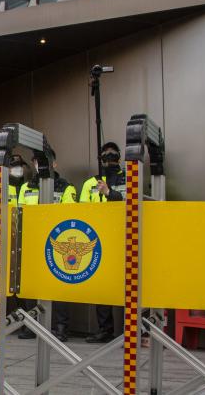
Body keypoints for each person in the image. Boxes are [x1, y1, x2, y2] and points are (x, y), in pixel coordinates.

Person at [17, 153, 77, 341]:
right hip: (31, 241)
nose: (39, 165)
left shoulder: (65, 187)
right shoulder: (26, 187)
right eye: (36, 161)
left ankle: (60, 327)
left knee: (58, 286)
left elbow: (70, 214)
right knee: (29, 286)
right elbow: (19, 214)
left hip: (56, 242)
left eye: (44, 161)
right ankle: (31, 325)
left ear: (55, 163)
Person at [80, 142, 126, 343]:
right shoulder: (90, 183)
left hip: (125, 238)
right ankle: (105, 330)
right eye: (105, 156)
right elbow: (82, 211)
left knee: (128, 284)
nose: (109, 158)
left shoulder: (129, 177)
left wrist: (110, 193)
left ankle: (132, 330)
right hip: (99, 240)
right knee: (102, 286)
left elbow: (135, 202)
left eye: (112, 155)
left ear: (120, 157)